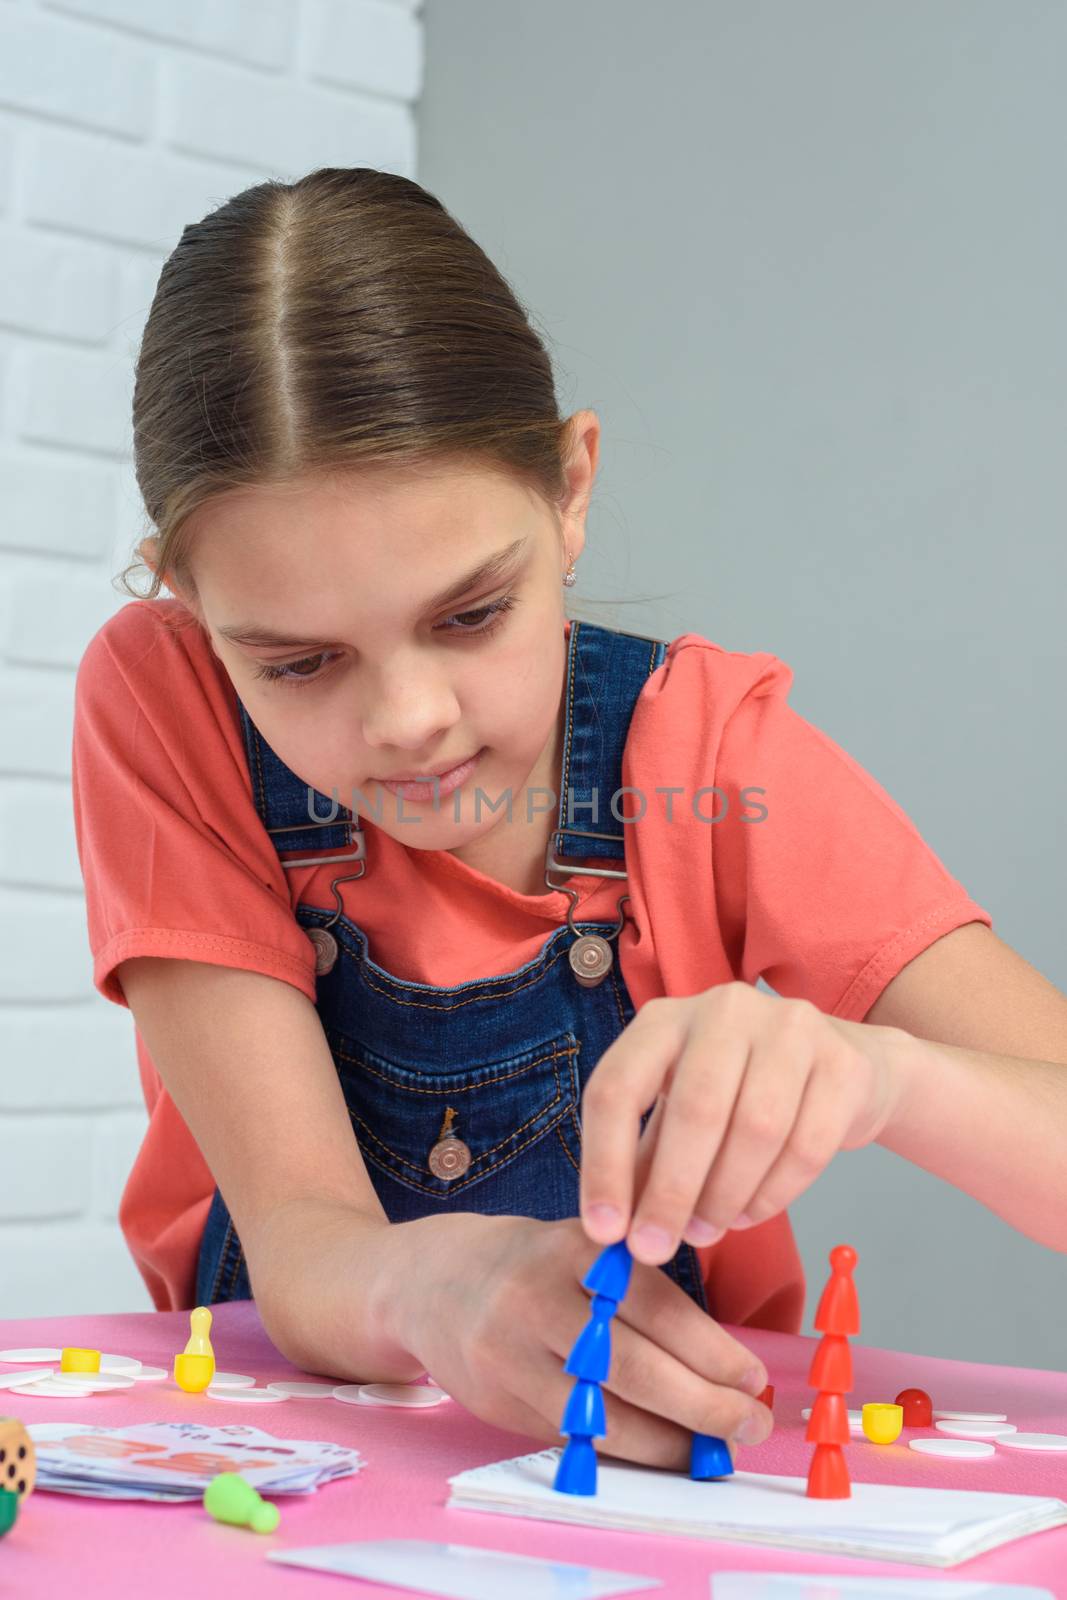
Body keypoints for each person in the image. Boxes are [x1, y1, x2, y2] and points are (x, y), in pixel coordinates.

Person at [72, 167, 1067, 1473]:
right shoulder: (164, 702)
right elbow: (304, 1235)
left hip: (663, 1490)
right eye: (299, 663)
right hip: (284, 1477)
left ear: (572, 488)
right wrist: (434, 1288)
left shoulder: (707, 753)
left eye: (470, 614)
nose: (411, 720)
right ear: (190, 607)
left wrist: (886, 1075)